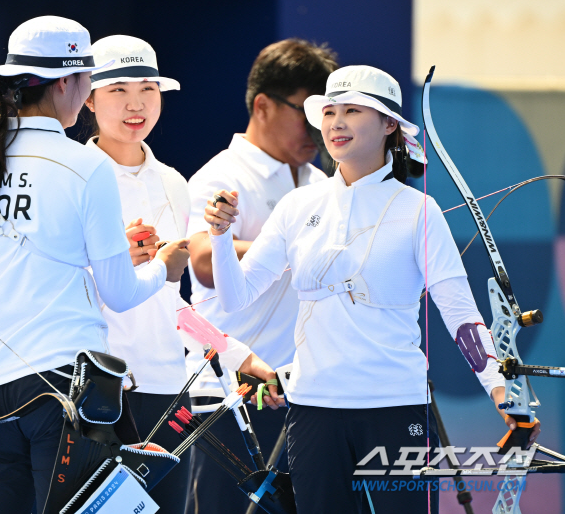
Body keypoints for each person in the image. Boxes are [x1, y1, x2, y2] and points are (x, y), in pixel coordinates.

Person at [203, 65, 542, 513]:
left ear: (389, 126)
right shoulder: (297, 206)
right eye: (329, 111)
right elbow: (236, 297)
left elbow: (460, 314)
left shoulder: (420, 211)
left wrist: (503, 392)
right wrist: (221, 237)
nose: (336, 122)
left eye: (353, 110)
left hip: (395, 407)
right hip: (313, 410)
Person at [0, 17, 190, 514]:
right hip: (72, 392)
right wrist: (163, 266)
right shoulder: (84, 165)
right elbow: (119, 292)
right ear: (68, 84)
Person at [83, 35, 281, 514]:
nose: (136, 104)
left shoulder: (172, 182)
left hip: (166, 388)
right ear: (87, 97)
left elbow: (175, 304)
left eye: (148, 89)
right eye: (118, 90)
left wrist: (241, 355)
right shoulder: (73, 174)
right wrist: (110, 264)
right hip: (94, 385)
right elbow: (49, 287)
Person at [184, 38, 337, 514]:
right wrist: (293, 248)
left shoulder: (324, 185)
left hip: (304, 395)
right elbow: (204, 262)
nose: (319, 126)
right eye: (305, 110)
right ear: (263, 106)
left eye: (327, 112)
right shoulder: (222, 175)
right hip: (233, 395)